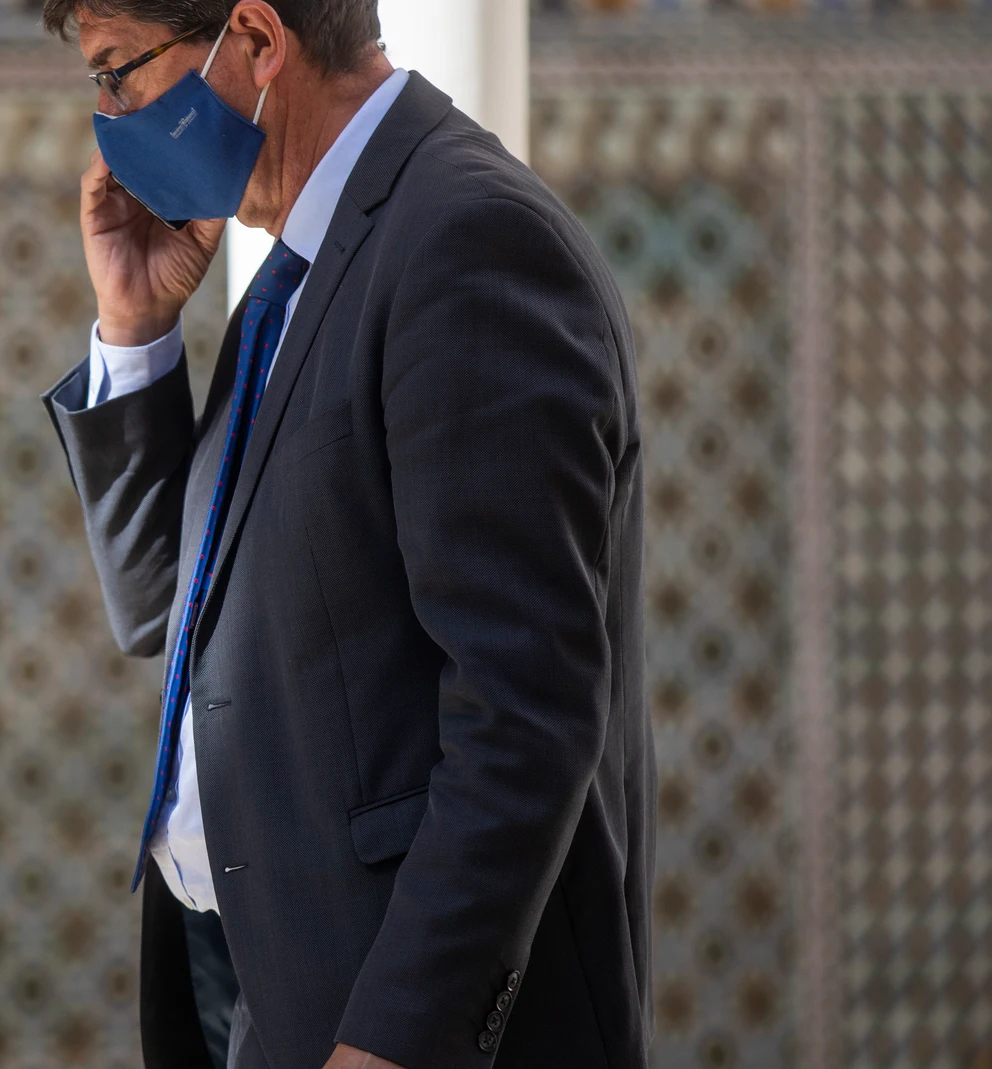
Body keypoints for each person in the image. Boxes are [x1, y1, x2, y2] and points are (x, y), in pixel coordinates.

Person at [37, 2, 653, 1068]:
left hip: (382, 1010)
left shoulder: (463, 241)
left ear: (257, 41)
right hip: (261, 981)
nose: (107, 117)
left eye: (118, 73)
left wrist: (392, 1040)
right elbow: (163, 608)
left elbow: (525, 716)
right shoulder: (292, 273)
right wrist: (135, 331)